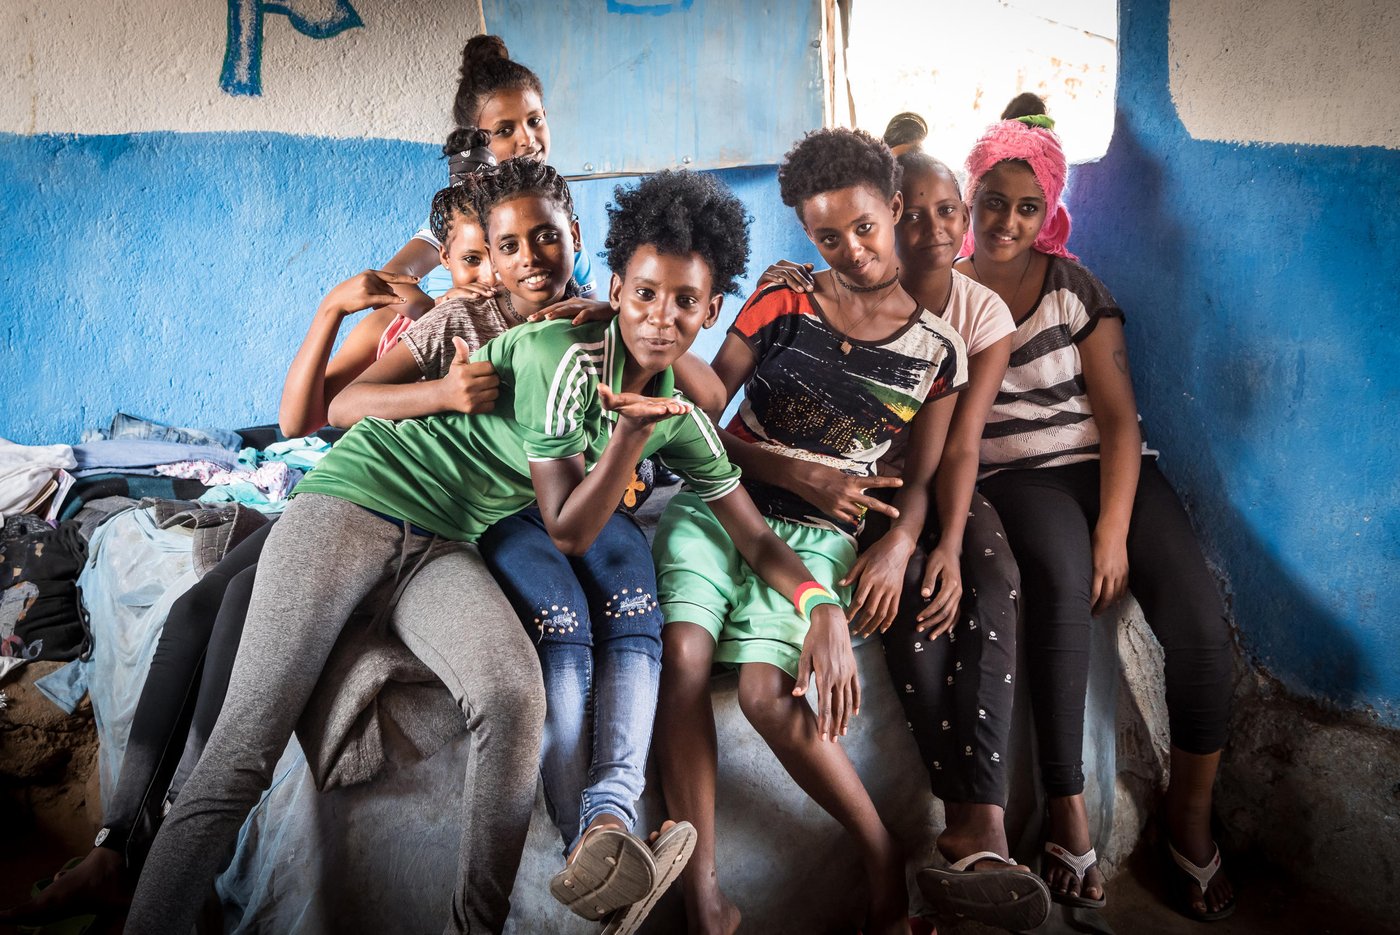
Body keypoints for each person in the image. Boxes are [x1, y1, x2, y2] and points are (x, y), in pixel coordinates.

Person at [123, 167, 860, 935]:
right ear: (616, 287)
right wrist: (627, 439)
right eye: (644, 293)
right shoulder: (560, 354)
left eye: (684, 302)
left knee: (512, 698)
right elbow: (567, 528)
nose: (659, 317)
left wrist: (819, 605)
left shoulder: (672, 409)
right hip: (357, 501)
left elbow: (753, 533)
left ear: (711, 311)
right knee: (243, 751)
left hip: (447, 539)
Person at [0, 151, 503, 933]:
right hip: (336, 486)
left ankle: (163, 849)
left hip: (386, 509)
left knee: (238, 604)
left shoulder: (515, 331)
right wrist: (331, 309)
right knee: (195, 611)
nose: (485, 276)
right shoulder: (416, 322)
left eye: (495, 255)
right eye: (468, 259)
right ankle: (119, 845)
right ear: (448, 258)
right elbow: (307, 417)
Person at [654, 128, 968, 935]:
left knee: (766, 692)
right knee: (683, 658)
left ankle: (881, 854)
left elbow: (920, 481)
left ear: (893, 209)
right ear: (807, 234)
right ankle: (704, 897)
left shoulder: (936, 351)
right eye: (828, 237)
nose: (851, 250)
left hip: (819, 536)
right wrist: (794, 470)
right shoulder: (783, 297)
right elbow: (701, 417)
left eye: (864, 227)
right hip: (716, 501)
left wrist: (898, 546)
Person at [758, 148, 1052, 931]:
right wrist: (896, 546)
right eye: (913, 212)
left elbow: (953, 451)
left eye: (944, 210)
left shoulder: (969, 320)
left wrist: (939, 543)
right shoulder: (820, 291)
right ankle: (963, 828)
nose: (929, 227)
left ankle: (981, 828)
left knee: (989, 576)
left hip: (930, 481)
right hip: (856, 489)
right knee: (908, 604)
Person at [954, 114, 1235, 921]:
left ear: (1050, 212)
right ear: (971, 196)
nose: (1008, 221)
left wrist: (1115, 529)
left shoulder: (1076, 288)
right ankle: (1067, 807)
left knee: (1200, 626)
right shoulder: (948, 294)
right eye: (993, 201)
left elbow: (1117, 422)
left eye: (1028, 207)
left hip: (1111, 468)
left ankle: (1189, 815)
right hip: (1020, 478)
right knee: (1061, 584)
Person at [381, 35, 597, 311]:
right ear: (477, 138)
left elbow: (588, 309)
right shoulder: (461, 216)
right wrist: (437, 311)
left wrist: (603, 311)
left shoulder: (553, 219)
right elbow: (390, 280)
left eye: (534, 121)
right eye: (505, 130)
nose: (527, 139)